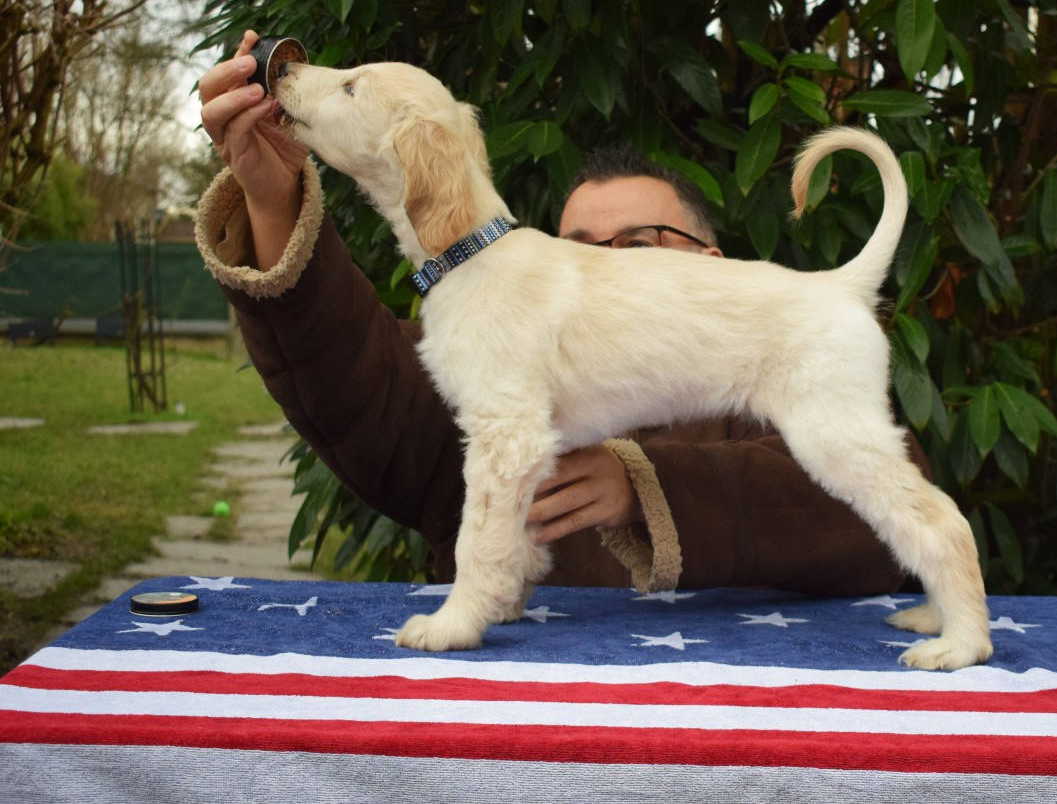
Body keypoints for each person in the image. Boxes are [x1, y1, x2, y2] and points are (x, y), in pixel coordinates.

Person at [196, 30, 916, 595]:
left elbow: (872, 504)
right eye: (582, 252)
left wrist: (647, 487)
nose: (608, 269)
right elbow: (359, 390)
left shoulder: (773, 354)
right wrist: (271, 200)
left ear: (712, 265)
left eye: (639, 244)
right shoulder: (499, 348)